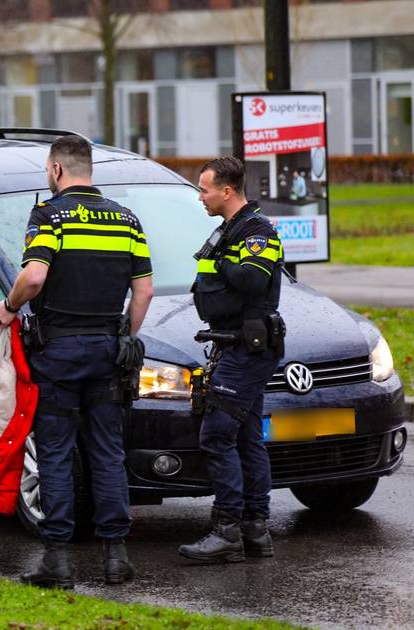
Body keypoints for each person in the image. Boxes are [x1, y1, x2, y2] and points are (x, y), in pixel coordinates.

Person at [0, 135, 154, 589]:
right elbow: (143, 291)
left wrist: (9, 304)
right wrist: (125, 335)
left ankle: (57, 561)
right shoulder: (126, 220)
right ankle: (116, 558)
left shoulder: (49, 216)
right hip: (107, 352)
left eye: (48, 169)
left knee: (56, 454)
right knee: (107, 453)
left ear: (57, 170)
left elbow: (36, 275)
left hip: (58, 355)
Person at [180, 156, 284, 564]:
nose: (200, 197)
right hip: (234, 343)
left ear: (226, 191)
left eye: (204, 189)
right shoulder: (228, 231)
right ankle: (256, 531)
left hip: (248, 348)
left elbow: (253, 279)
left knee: (217, 434)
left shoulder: (258, 231)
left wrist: (221, 262)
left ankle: (226, 531)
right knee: (245, 437)